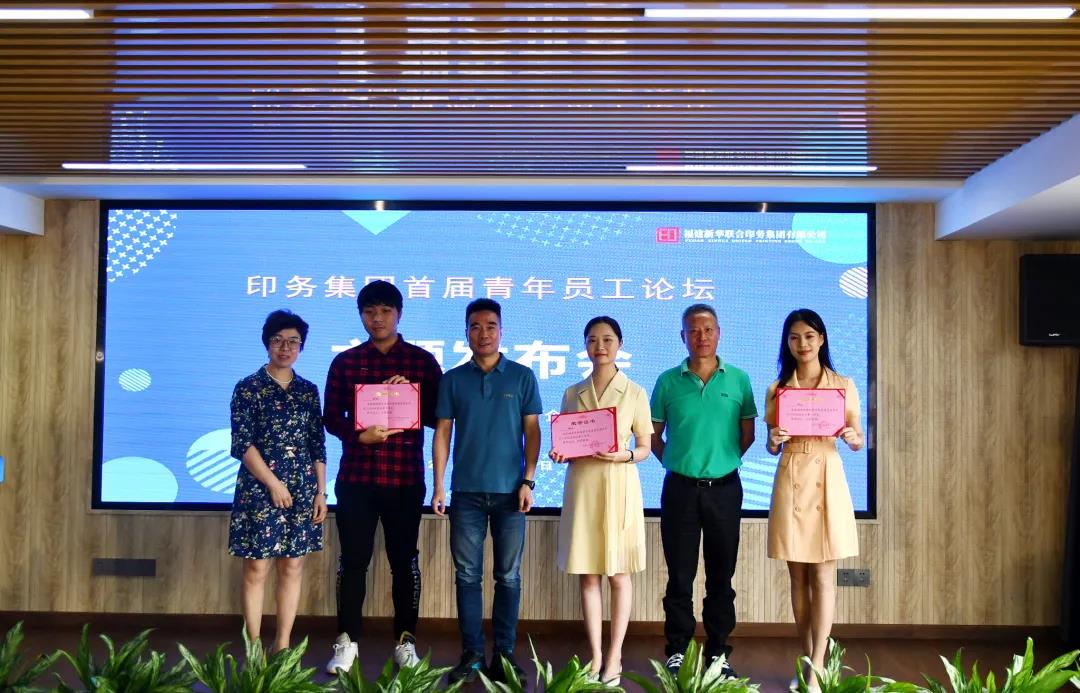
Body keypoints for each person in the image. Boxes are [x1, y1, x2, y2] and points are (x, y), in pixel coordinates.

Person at [322, 281, 443, 673]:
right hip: (356, 479)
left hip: (405, 480)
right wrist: (359, 435)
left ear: (399, 314)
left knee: (404, 563)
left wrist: (412, 395)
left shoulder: (422, 362)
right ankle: (346, 642)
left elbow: (440, 417)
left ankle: (405, 642)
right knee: (353, 562)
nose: (377, 319)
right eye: (369, 312)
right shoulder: (346, 362)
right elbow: (330, 417)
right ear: (361, 315)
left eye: (385, 311)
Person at [431, 298, 542, 685]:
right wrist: (439, 484)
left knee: (508, 576)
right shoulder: (453, 379)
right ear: (466, 332)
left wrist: (528, 480)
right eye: (475, 327)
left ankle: (505, 654)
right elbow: (442, 433)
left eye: (490, 326)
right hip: (465, 494)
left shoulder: (522, 376)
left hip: (512, 493)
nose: (483, 333)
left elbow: (532, 432)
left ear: (501, 331)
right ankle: (473, 654)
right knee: (467, 576)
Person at [650, 303, 757, 677]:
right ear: (683, 336)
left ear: (719, 333)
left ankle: (718, 652)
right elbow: (653, 436)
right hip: (679, 489)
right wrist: (679, 462)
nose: (701, 337)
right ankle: (678, 649)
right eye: (693, 331)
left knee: (721, 576)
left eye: (708, 329)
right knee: (679, 576)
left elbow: (747, 435)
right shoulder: (667, 381)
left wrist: (720, 462)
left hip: (725, 490)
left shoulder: (739, 380)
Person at [550, 316, 651, 687]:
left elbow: (644, 446)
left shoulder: (635, 392)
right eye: (592, 339)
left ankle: (615, 655)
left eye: (607, 339)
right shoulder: (572, 392)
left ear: (620, 344)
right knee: (588, 574)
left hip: (618, 483)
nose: (600, 346)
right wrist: (559, 453)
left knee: (619, 574)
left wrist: (625, 455)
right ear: (585, 346)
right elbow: (566, 441)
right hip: (583, 486)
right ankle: (594, 656)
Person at [764, 309, 861, 693]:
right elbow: (772, 444)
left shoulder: (843, 385)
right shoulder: (778, 389)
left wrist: (853, 438)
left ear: (821, 339)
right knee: (798, 578)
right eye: (794, 337)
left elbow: (857, 438)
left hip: (827, 477)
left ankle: (818, 666)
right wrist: (774, 441)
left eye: (809, 336)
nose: (802, 344)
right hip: (792, 477)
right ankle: (808, 660)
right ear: (786, 343)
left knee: (823, 576)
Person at [228, 309, 328, 653]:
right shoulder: (248, 388)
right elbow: (242, 444)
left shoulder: (308, 391)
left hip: (302, 488)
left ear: (301, 346)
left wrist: (320, 492)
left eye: (293, 342)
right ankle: (254, 648)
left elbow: (317, 443)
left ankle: (282, 645)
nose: (285, 348)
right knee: (256, 568)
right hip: (259, 488)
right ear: (266, 343)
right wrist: (273, 483)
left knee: (292, 566)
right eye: (278, 340)